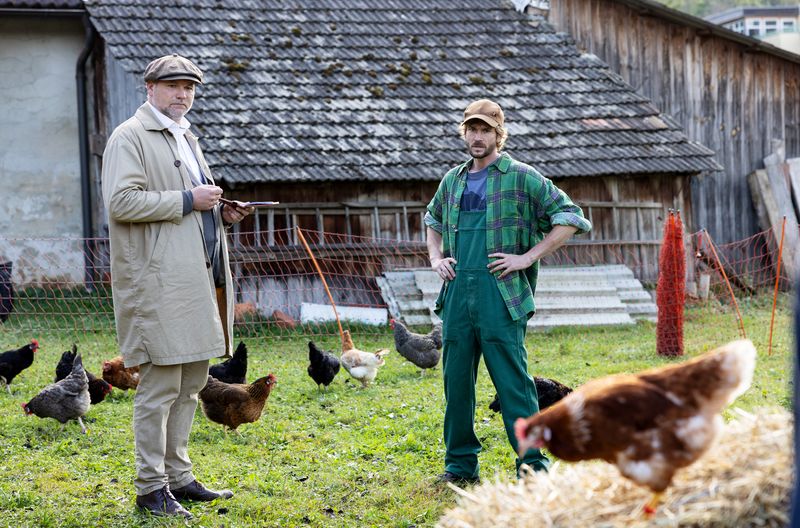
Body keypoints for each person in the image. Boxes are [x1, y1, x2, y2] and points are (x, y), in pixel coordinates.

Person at [101, 54, 253, 518]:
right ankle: (150, 489)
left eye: (189, 87)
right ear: (150, 88)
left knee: (191, 385)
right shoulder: (129, 136)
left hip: (196, 280)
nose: (182, 94)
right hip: (158, 283)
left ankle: (179, 478)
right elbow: (121, 202)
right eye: (173, 86)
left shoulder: (186, 137)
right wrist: (189, 199)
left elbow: (193, 207)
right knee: (160, 387)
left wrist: (221, 213)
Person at [424, 99, 592, 484]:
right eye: (472, 129)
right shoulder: (453, 180)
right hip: (456, 296)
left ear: (498, 134)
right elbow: (432, 219)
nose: (477, 136)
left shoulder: (521, 177)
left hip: (501, 297)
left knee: (515, 387)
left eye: (485, 130)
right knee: (456, 387)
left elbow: (571, 217)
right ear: (464, 133)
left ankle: (532, 466)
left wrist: (527, 257)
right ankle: (460, 466)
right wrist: (436, 258)